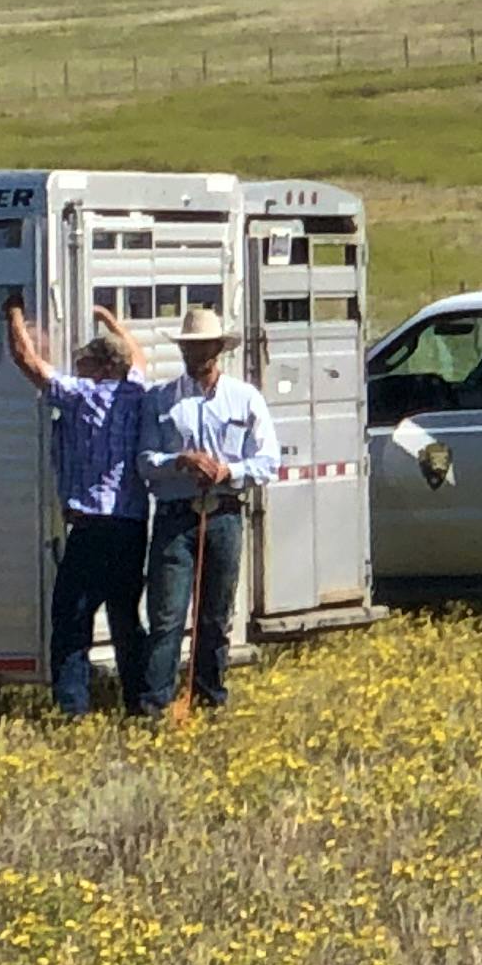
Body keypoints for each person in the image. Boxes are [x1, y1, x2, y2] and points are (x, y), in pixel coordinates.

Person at [1, 293, 156, 718]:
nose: (78, 367)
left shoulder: (80, 397)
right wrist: (112, 321)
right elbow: (138, 358)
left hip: (91, 526)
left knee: (71, 619)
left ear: (103, 367)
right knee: (126, 618)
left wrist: (13, 312)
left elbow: (25, 360)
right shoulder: (134, 393)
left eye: (85, 361)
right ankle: (140, 702)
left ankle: (72, 709)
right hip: (130, 525)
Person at [140, 305, 281, 719]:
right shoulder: (160, 399)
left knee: (215, 616)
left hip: (224, 514)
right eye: (189, 346)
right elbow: (144, 460)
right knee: (166, 615)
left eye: (202, 346)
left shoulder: (245, 398)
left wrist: (229, 470)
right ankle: (157, 705)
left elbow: (268, 461)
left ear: (218, 348)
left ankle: (208, 698)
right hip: (174, 515)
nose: (195, 353)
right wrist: (179, 461)